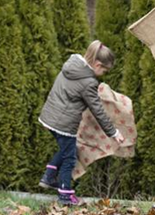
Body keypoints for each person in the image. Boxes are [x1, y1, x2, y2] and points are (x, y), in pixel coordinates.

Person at [38, 40, 124, 205]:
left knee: (66, 149)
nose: (103, 74)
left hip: (49, 117)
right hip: (64, 124)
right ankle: (65, 195)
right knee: (70, 158)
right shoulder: (88, 82)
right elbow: (97, 110)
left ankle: (49, 175)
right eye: (104, 70)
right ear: (98, 64)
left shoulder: (71, 65)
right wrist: (114, 132)